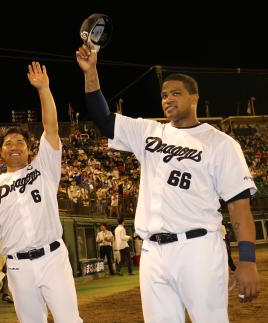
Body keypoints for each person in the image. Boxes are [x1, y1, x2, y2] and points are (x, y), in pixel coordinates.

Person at [77, 43, 260, 322]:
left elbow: (239, 207)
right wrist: (91, 71)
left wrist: (247, 260)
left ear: (195, 98)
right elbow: (103, 119)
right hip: (152, 253)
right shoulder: (149, 132)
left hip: (198, 248)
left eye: (176, 93)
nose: (168, 99)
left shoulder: (221, 143)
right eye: (164, 95)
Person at [0, 62, 82, 323]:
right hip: (18, 266)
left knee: (70, 320)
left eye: (21, 142)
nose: (15, 146)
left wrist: (44, 89)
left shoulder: (44, 167)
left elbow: (51, 128)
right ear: (1, 152)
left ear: (30, 149)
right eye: (9, 143)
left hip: (53, 257)